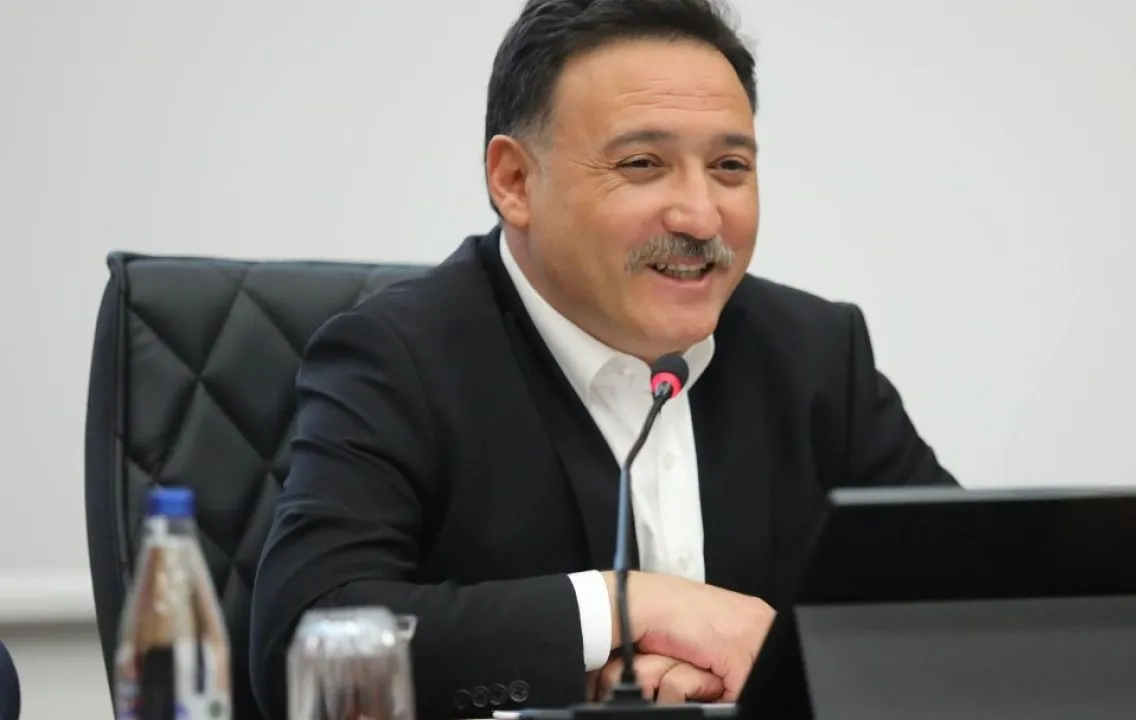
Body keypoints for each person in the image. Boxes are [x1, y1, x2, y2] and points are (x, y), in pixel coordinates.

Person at [248, 0, 959, 717]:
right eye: (643, 164)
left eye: (729, 166)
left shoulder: (814, 353)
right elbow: (305, 641)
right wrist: (628, 607)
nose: (700, 217)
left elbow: (975, 602)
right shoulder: (399, 358)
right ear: (514, 182)